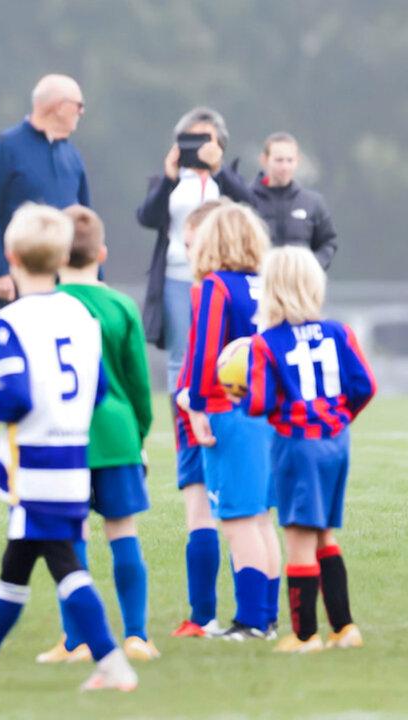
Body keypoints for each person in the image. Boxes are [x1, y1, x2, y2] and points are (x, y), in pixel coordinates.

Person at [0, 203, 137, 693]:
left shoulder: (11, 322)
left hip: (36, 464)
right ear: (63, 255)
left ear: (11, 257)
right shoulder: (84, 316)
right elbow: (102, 391)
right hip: (74, 458)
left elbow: (17, 398)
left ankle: (112, 663)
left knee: (66, 566)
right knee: (15, 571)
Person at [238, 246, 374, 652]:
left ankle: (304, 635)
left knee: (297, 537)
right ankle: (345, 628)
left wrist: (239, 386)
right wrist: (336, 417)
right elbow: (364, 385)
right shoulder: (339, 332)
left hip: (297, 446)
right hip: (335, 442)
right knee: (324, 535)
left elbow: (259, 403)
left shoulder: (265, 343)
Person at [37, 206, 157, 663]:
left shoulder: (46, 307)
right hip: (118, 433)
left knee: (72, 538)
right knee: (123, 531)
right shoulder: (122, 305)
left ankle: (78, 639)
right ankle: (137, 636)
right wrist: (137, 434)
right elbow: (138, 386)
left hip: (65, 437)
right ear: (101, 253)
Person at [178, 202, 281, 641]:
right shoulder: (268, 285)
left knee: (238, 520)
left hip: (229, 410)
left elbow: (205, 353)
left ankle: (251, 622)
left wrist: (197, 405)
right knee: (261, 520)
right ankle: (269, 616)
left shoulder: (215, 286)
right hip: (268, 410)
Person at [136, 107, 256, 392]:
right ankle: (184, 423)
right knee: (181, 355)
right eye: (190, 139)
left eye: (205, 139)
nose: (198, 146)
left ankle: (222, 414)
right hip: (178, 276)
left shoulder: (227, 179)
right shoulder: (171, 181)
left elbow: (251, 208)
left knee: (226, 349)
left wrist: (220, 170)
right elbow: (147, 217)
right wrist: (168, 178)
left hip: (223, 277)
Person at [169, 199, 229, 638]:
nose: (187, 253)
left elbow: (201, 356)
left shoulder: (207, 290)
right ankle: (257, 616)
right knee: (252, 517)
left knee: (199, 509)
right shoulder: (258, 286)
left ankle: (202, 616)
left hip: (201, 405)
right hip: (246, 410)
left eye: (191, 244)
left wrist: (191, 400)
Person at [0, 74, 88, 305]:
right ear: (59, 107)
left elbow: (86, 221)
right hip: (22, 278)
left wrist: (94, 276)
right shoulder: (4, 147)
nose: (81, 111)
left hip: (69, 281)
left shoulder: (73, 156)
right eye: (78, 105)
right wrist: (0, 272)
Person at [251, 132, 337, 269]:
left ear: (298, 161)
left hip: (300, 285)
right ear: (264, 160)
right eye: (279, 160)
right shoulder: (246, 201)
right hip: (258, 284)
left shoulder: (313, 202)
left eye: (290, 160)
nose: (285, 167)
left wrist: (312, 267)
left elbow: (328, 243)